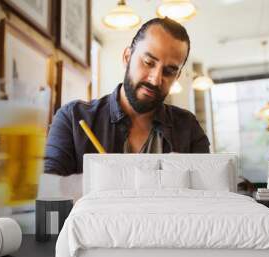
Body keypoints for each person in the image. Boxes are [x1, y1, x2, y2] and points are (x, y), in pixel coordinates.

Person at [44, 17, 210, 176]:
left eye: (169, 71)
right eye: (148, 62)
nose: (156, 79)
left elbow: (209, 197)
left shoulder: (189, 128)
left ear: (177, 77)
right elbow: (49, 193)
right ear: (127, 57)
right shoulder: (72, 119)